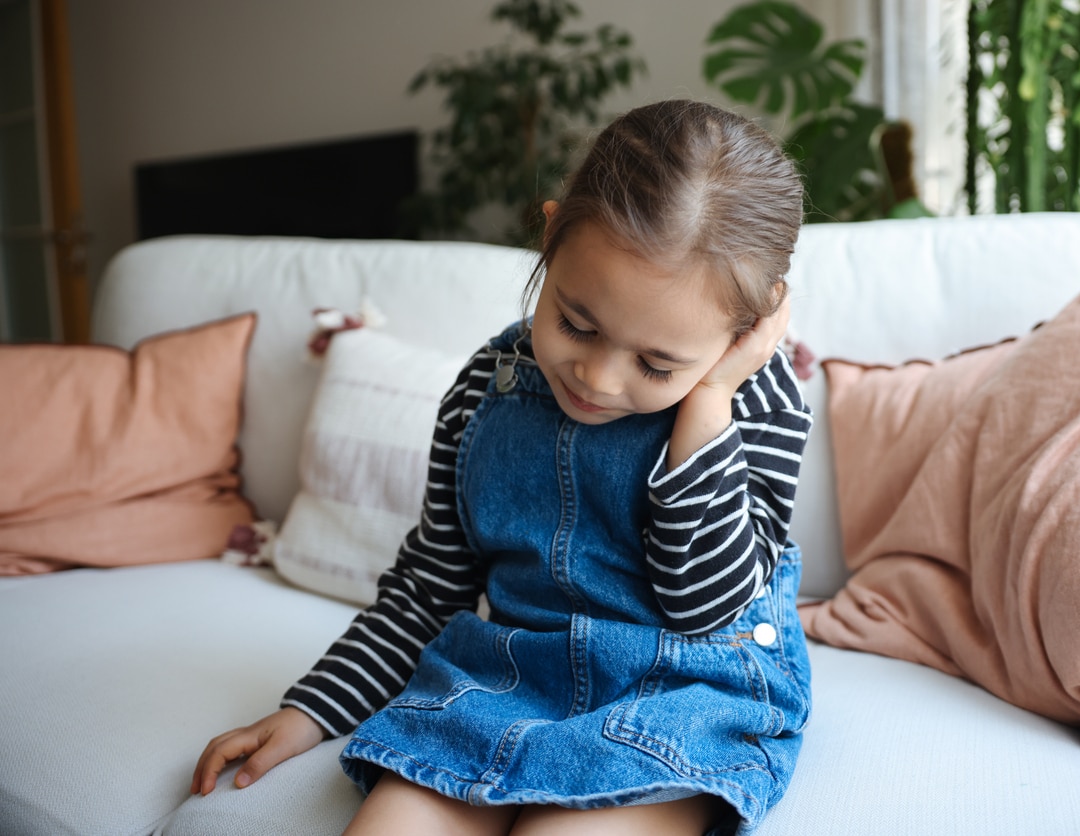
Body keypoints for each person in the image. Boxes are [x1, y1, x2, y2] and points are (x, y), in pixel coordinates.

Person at [192, 99, 814, 836]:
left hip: (681, 689)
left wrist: (706, 400)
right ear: (551, 235)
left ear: (748, 331)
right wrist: (309, 710)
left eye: (655, 363)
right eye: (576, 324)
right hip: (509, 675)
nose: (598, 377)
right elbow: (428, 588)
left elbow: (704, 603)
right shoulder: (490, 383)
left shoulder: (755, 403)